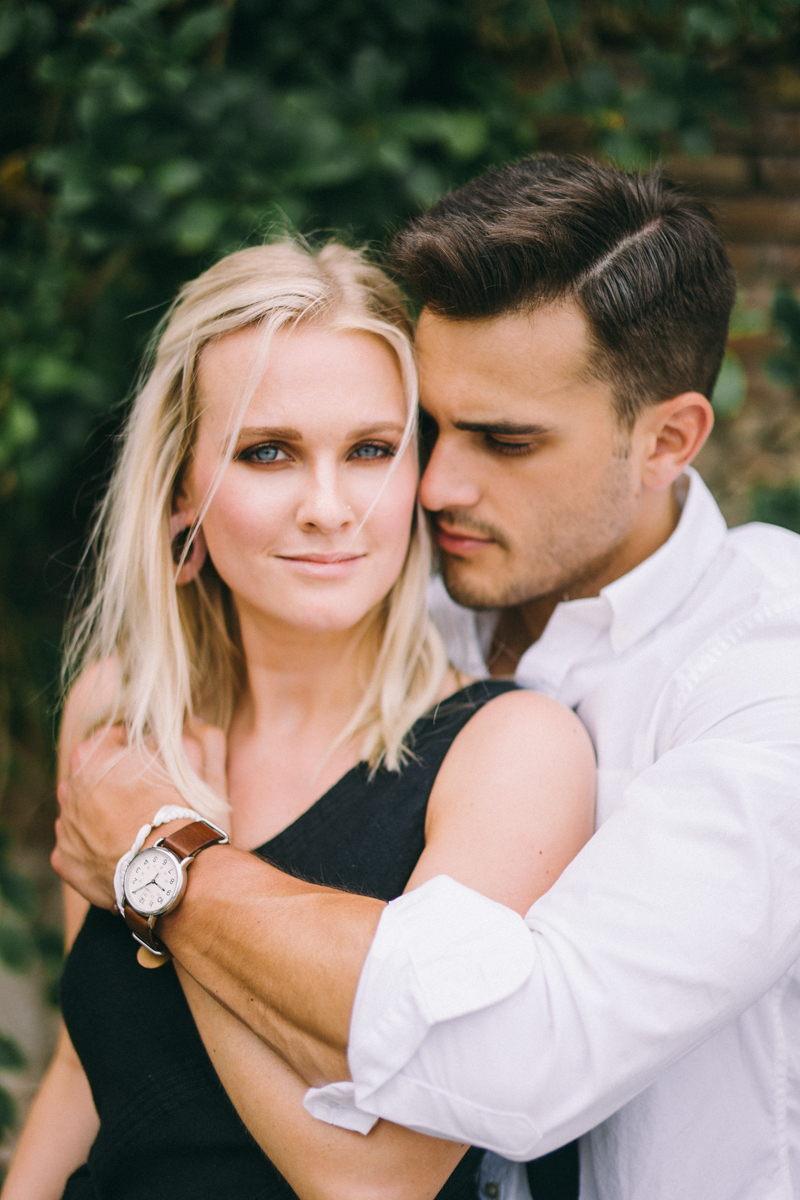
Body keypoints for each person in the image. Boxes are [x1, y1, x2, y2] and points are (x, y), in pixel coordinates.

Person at [49, 155, 800, 1199]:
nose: (432, 489)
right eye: (428, 431)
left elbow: (510, 1055)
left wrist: (166, 856)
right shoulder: (415, 596)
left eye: (504, 441)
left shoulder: (767, 686)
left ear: (666, 439)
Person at [1, 240, 596, 1200]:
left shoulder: (511, 753)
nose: (329, 508)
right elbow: (87, 1068)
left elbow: (381, 1181)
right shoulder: (120, 711)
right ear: (180, 493)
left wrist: (169, 858)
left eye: (370, 450)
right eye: (267, 451)